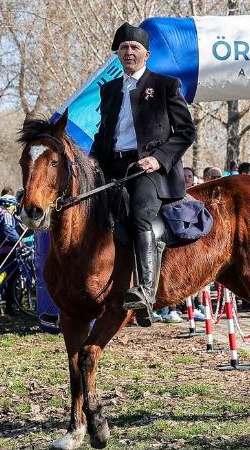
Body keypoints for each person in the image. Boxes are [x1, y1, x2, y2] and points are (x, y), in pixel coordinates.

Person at [91, 22, 196, 326]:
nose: (128, 52)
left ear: (146, 54)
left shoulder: (166, 84)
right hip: (113, 167)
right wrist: (93, 161)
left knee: (139, 215)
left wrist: (158, 159)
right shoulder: (109, 89)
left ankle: (146, 294)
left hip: (148, 170)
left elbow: (186, 131)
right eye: (123, 48)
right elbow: (103, 133)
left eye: (134, 48)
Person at [0, 195, 22, 316]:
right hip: (7, 252)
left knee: (1, 280)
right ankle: (8, 307)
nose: (15, 208)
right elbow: (8, 230)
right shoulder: (6, 215)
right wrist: (20, 242)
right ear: (9, 205)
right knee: (10, 280)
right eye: (14, 205)